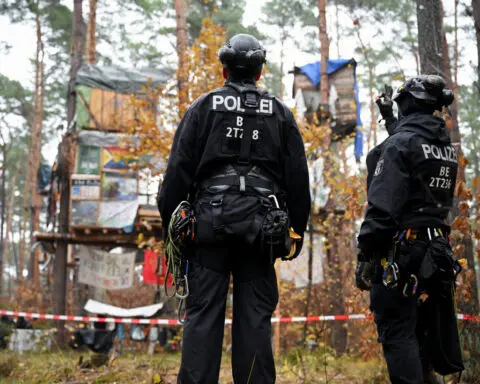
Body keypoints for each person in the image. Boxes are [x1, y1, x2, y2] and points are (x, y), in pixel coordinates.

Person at [157, 33, 311, 384]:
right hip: (262, 231)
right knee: (255, 317)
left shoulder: (203, 107)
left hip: (209, 227)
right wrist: (296, 233)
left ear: (224, 71)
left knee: (203, 315)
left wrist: (171, 228)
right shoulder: (281, 114)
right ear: (260, 73)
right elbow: (299, 182)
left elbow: (177, 172)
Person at [355, 75, 464, 384]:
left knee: (398, 332)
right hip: (436, 254)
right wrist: (389, 119)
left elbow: (382, 210)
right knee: (425, 335)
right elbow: (411, 148)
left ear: (409, 103)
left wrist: (365, 254)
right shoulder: (443, 146)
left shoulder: (400, 145)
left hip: (402, 255)